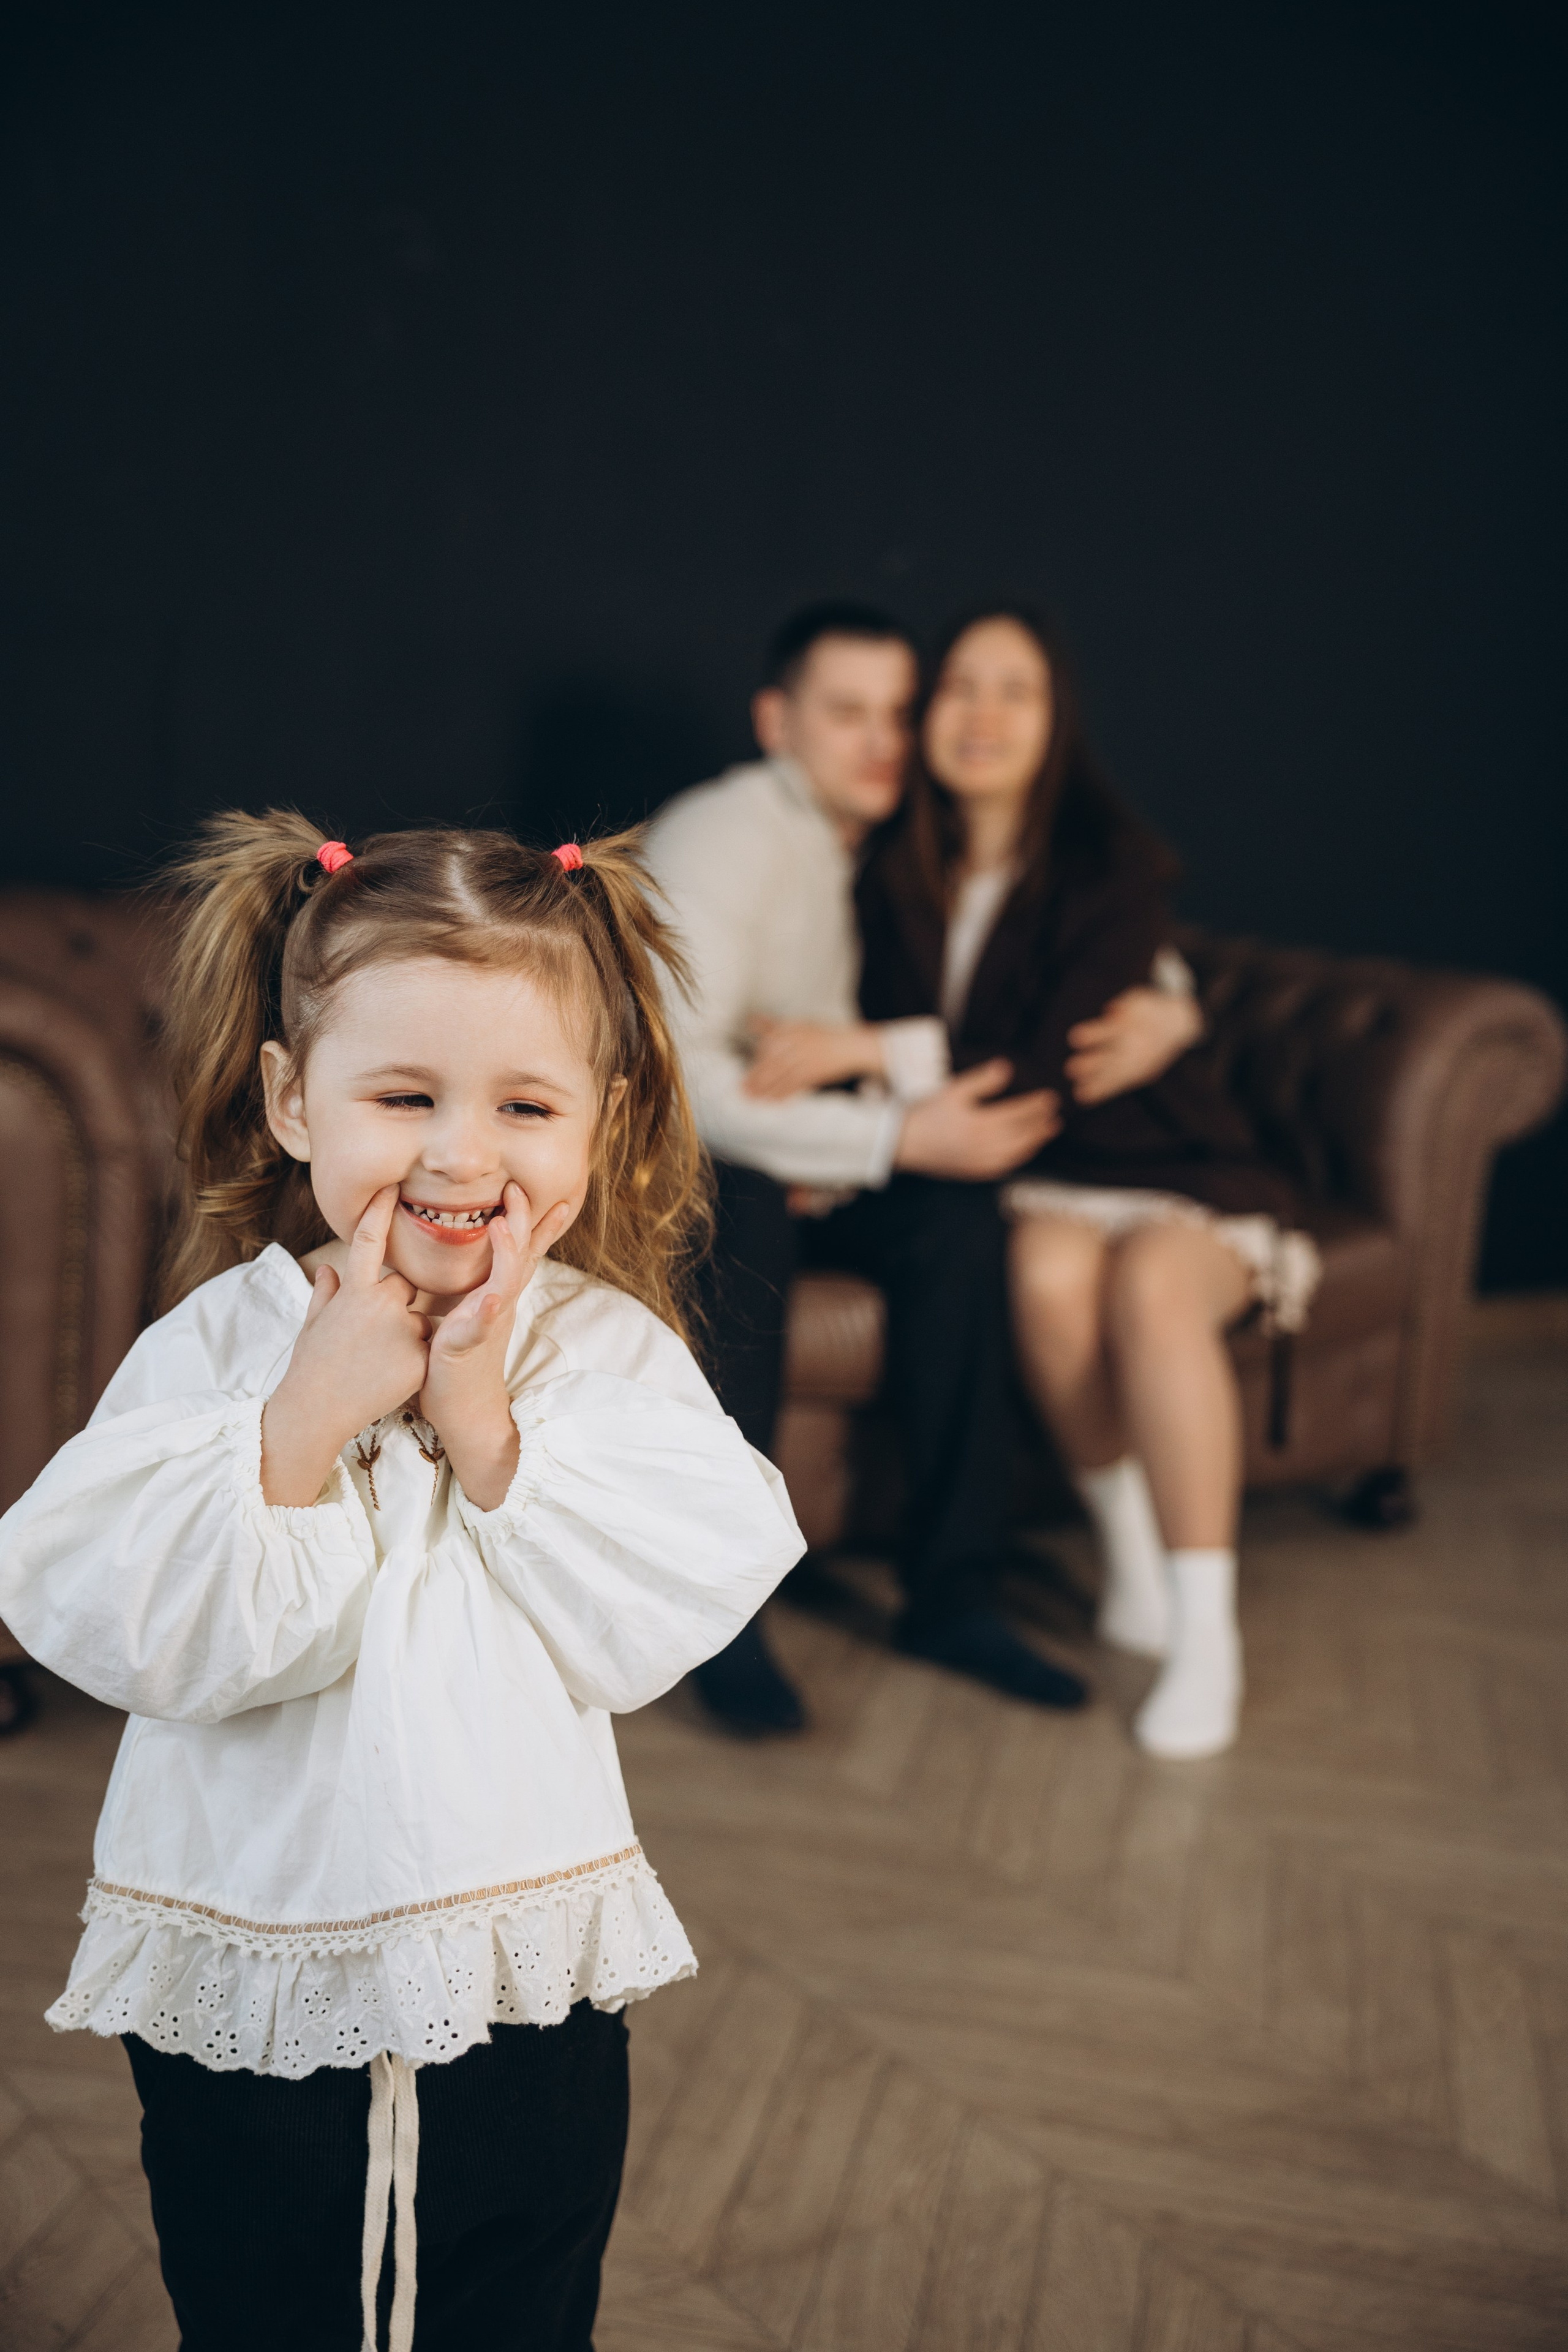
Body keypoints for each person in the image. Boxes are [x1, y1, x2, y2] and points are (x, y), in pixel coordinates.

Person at [0, 813, 803, 2352]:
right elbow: (115, 1611)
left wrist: (482, 1423)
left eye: (523, 1103)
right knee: (253, 2303)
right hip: (249, 1978)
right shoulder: (219, 1347)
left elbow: (659, 1605)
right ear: (295, 1100)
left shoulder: (606, 1355)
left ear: (601, 1121)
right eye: (402, 1095)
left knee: (518, 2302)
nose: (460, 1153)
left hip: (519, 1979)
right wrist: (309, 1411)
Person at [644, 601, 1191, 1736]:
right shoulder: (723, 835)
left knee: (957, 1213)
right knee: (746, 1202)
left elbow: (1082, 945)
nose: (882, 741)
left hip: (824, 1165)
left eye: (900, 712)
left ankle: (955, 1594)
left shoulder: (892, 845)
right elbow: (683, 1085)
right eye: (847, 714)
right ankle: (723, 1619)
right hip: (700, 1170)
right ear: (774, 720)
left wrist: (1175, 1006)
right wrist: (886, 1137)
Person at [853, 608, 1321, 1758]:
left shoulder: (1111, 866)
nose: (984, 715)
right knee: (1046, 1281)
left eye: (1016, 690)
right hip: (1043, 1182)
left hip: (1172, 1168)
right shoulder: (890, 871)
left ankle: (1208, 1628)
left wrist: (867, 1056)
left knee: (1153, 1291)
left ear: (1055, 722)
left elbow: (1053, 1056)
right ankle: (1131, 1549)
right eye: (961, 687)